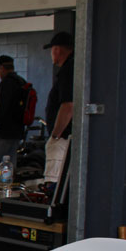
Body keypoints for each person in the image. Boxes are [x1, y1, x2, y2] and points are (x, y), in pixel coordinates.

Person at [43, 31, 75, 184]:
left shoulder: (67, 71)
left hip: (62, 138)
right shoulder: (75, 67)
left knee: (54, 180)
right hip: (69, 136)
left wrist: (55, 135)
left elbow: (68, 106)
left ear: (56, 50)